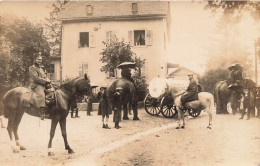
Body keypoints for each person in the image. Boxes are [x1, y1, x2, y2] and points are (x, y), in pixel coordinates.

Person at [28, 52, 51, 120]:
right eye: (38, 59)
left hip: (43, 84)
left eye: (40, 59)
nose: (40, 61)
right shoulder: (32, 68)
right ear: (34, 59)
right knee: (42, 95)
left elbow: (44, 76)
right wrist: (45, 81)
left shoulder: (40, 68)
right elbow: (36, 78)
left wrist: (48, 80)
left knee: (53, 92)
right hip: (36, 85)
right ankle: (42, 113)